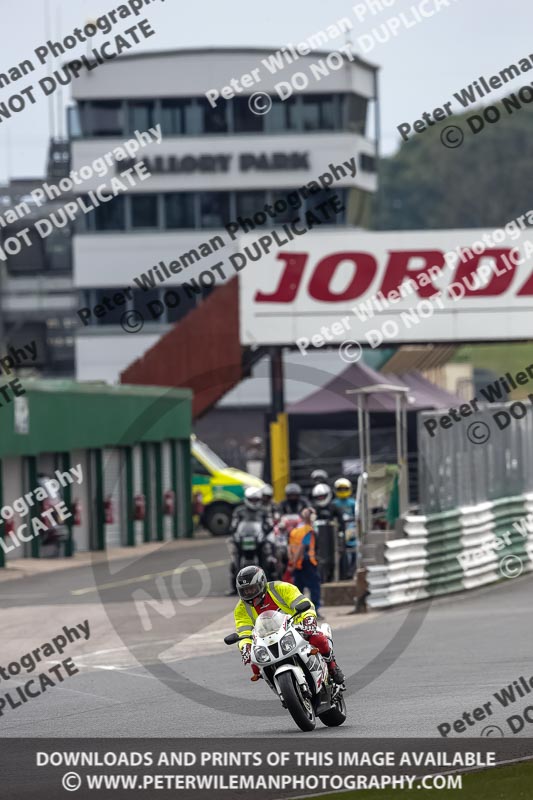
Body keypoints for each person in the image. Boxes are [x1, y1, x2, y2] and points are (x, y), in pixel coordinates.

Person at [233, 565, 344, 684]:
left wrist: (308, 618)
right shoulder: (241, 608)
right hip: (265, 638)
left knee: (318, 638)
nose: (248, 593)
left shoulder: (281, 588)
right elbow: (243, 632)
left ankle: (332, 666)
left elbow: (303, 603)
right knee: (255, 665)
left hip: (296, 627)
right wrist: (245, 646)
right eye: (244, 591)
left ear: (261, 583)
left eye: (252, 589)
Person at [226, 487, 273, 595]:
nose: (254, 502)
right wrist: (234, 531)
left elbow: (269, 523)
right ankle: (234, 587)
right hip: (243, 538)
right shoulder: (239, 511)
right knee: (234, 559)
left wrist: (264, 531)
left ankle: (268, 582)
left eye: (256, 500)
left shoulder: (264, 511)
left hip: (259, 538)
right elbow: (234, 524)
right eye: (251, 500)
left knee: (267, 555)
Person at [287, 508, 324, 619]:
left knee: (298, 589)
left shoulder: (294, 530)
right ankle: (315, 611)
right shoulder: (308, 530)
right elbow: (302, 547)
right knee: (314, 587)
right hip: (307, 562)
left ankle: (297, 613)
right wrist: (295, 562)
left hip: (297, 564)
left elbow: (289, 547)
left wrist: (292, 561)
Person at [333, 477, 358, 578]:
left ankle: (352, 570)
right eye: (340, 489)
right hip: (340, 528)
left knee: (354, 551)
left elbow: (356, 516)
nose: (343, 491)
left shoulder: (352, 503)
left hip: (351, 528)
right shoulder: (334, 503)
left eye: (345, 489)